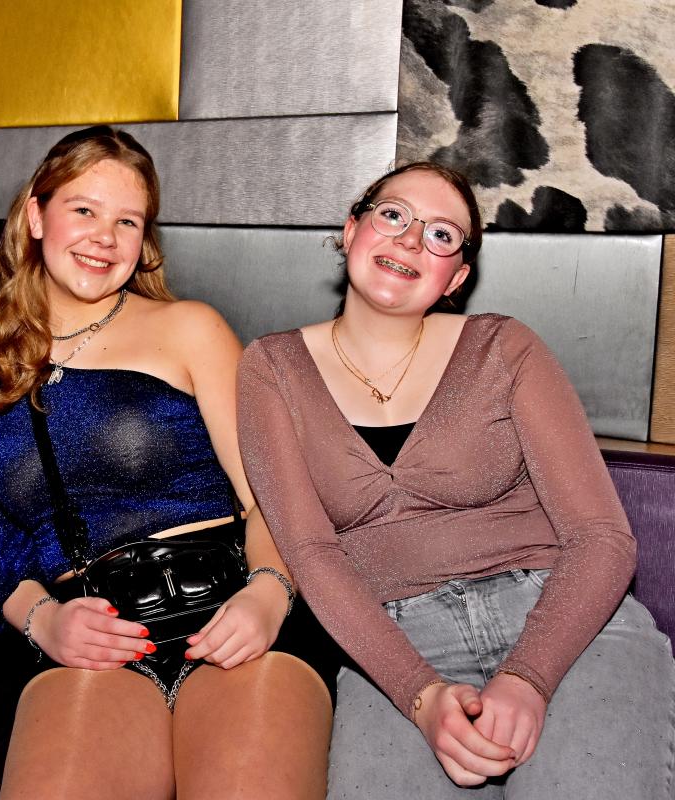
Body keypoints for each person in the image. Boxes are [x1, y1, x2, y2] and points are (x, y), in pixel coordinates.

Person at [237, 162, 675, 798]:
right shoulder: (272, 368)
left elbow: (602, 537)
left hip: (562, 620)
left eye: (442, 234)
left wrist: (529, 677)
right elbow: (310, 554)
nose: (412, 240)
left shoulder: (504, 347)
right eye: (393, 215)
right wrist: (420, 695)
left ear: (457, 277)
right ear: (352, 229)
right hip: (390, 646)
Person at [0, 126, 336, 799]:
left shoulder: (189, 327)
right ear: (35, 215)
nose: (104, 238)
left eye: (127, 221)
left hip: (231, 608)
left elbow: (275, 494)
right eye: (84, 210)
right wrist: (43, 620)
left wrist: (268, 595)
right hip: (92, 635)